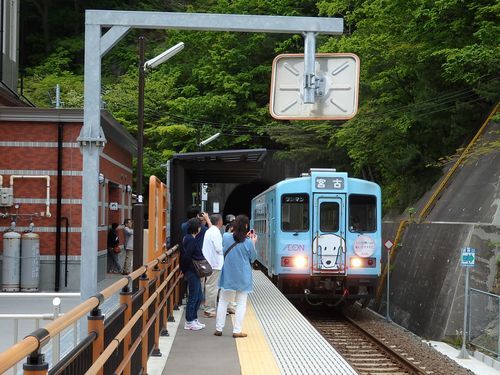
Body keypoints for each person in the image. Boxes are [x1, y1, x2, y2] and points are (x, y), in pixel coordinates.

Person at [214, 215, 257, 338]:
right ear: (246, 226)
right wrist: (253, 243)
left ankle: (219, 328)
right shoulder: (248, 242)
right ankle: (237, 330)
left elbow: (223, 250)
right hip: (243, 276)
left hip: (228, 274)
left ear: (234, 225)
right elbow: (253, 258)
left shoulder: (226, 237)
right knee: (241, 303)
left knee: (223, 301)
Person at [181, 217, 207, 330]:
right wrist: (184, 270)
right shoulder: (191, 240)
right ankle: (189, 321)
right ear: (196, 228)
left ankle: (194, 319)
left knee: (198, 296)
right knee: (193, 296)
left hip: (193, 270)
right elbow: (187, 257)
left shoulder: (188, 238)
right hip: (192, 270)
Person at [202, 214, 224, 318]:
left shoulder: (209, 231)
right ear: (219, 222)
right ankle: (210, 310)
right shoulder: (216, 232)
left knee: (209, 286)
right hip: (214, 264)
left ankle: (209, 308)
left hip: (209, 262)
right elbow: (219, 249)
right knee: (212, 287)